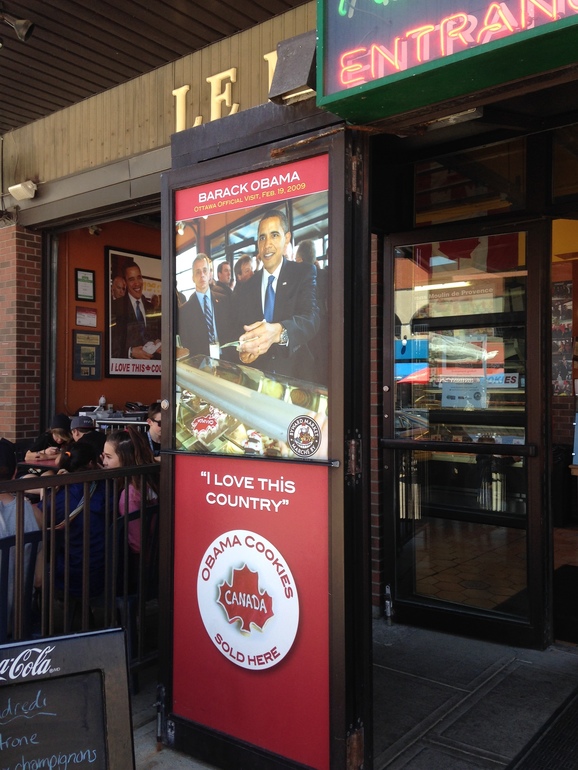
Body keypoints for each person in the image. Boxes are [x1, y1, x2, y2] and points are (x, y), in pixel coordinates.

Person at [235, 209, 320, 381]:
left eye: (274, 235)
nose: (267, 244)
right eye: (262, 237)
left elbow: (311, 319)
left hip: (297, 379)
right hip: (259, 380)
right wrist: (243, 352)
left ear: (286, 238)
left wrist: (280, 332)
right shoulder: (247, 287)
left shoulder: (303, 273)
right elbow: (238, 329)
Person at [35, 441, 109, 600]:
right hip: (106, 573)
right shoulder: (106, 488)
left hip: (69, 577)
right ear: (92, 463)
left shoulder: (59, 497)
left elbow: (38, 521)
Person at [101, 427, 158, 554]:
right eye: (104, 456)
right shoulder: (152, 479)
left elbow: (137, 544)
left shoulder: (130, 494)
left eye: (109, 457)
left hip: (140, 560)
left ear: (126, 458)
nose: (104, 462)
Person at [178, 254, 235, 358]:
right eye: (198, 272)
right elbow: (187, 344)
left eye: (205, 270)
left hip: (227, 360)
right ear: (193, 278)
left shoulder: (224, 301)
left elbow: (231, 332)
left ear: (209, 274)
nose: (202, 275)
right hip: (201, 363)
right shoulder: (184, 311)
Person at [111, 260, 161, 360]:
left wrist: (158, 342)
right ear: (125, 283)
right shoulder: (116, 307)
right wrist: (130, 352)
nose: (137, 283)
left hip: (151, 366)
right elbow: (110, 344)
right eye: (131, 279)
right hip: (128, 367)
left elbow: (156, 334)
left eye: (139, 278)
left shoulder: (151, 308)